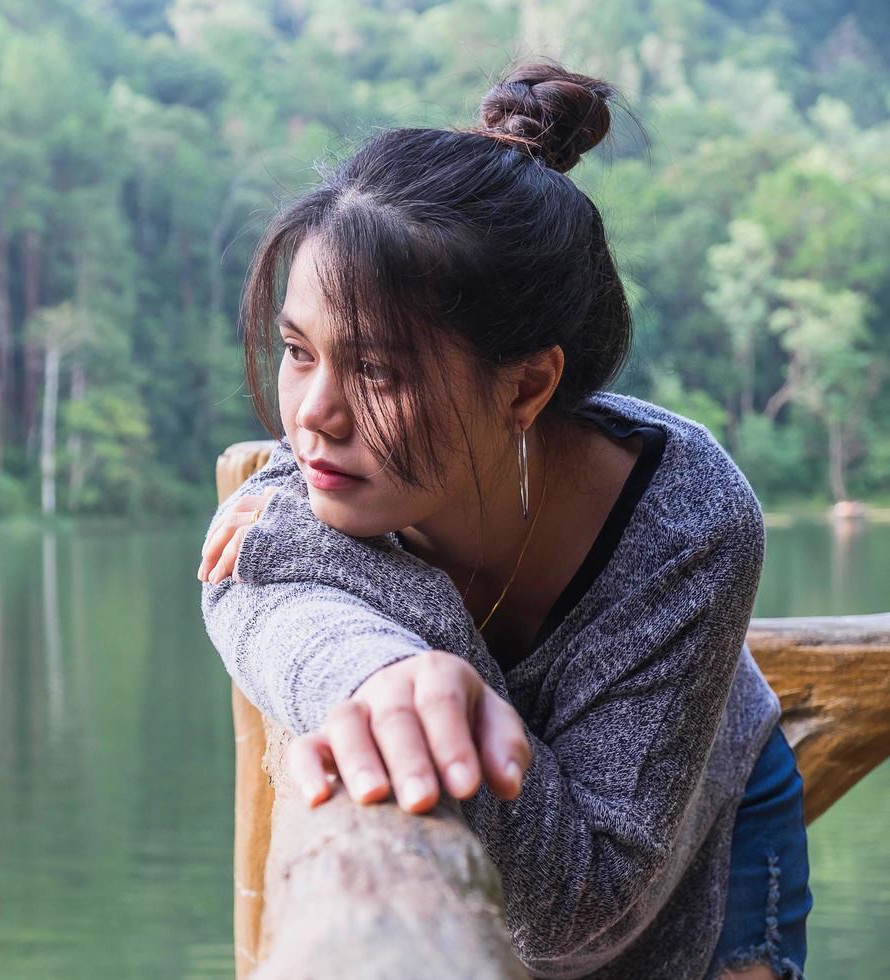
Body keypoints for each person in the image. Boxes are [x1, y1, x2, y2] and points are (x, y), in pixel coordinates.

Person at [195, 60, 811, 980]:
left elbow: (581, 911)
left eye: (376, 372)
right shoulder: (319, 483)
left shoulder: (689, 526)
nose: (311, 414)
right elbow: (244, 598)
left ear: (527, 385)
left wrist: (413, 626)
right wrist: (390, 668)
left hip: (708, 845)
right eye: (295, 350)